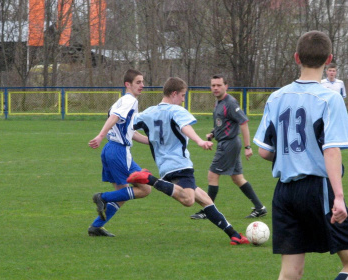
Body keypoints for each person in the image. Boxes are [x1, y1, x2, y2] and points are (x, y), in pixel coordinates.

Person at [253, 31, 348, 279]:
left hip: (284, 193)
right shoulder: (330, 99)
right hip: (318, 188)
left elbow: (264, 151)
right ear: (329, 59)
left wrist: (291, 156)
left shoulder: (276, 97)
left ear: (296, 58)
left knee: (290, 272)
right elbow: (332, 150)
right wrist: (338, 196)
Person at [127, 77, 249, 245]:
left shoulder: (148, 112)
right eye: (183, 95)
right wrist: (199, 141)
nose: (184, 99)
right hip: (180, 163)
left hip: (164, 165)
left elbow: (128, 126)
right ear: (174, 94)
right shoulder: (175, 110)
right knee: (189, 200)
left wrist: (150, 141)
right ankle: (150, 179)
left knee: (205, 200)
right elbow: (185, 126)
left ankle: (233, 234)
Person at [190, 75, 266, 220]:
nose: (216, 88)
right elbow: (223, 123)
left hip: (229, 144)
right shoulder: (218, 103)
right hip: (226, 143)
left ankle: (208, 210)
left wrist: (248, 146)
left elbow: (243, 123)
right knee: (237, 178)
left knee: (212, 175)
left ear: (226, 86)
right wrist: (213, 133)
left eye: (219, 85)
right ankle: (259, 207)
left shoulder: (230, 103)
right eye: (213, 85)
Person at [87, 69, 151, 237]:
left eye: (143, 82)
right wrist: (100, 135)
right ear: (127, 85)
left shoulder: (122, 101)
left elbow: (131, 133)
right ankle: (102, 197)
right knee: (145, 188)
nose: (142, 85)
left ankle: (96, 227)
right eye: (138, 82)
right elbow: (114, 117)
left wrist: (152, 142)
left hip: (110, 149)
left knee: (122, 195)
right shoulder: (130, 101)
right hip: (118, 151)